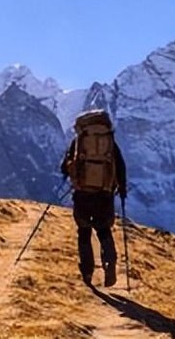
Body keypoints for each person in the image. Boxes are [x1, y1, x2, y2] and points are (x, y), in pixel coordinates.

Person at [60, 108, 127, 287]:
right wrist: (122, 189)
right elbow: (120, 166)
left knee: (84, 231)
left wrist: (70, 173)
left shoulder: (79, 142)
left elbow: (64, 167)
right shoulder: (110, 143)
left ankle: (87, 272)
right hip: (104, 194)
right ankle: (110, 262)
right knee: (103, 230)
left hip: (82, 193)